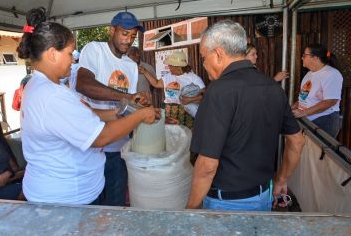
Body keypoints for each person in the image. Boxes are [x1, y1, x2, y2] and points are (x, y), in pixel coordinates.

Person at [17, 7, 157, 205]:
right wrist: (140, 116)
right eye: (69, 53)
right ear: (52, 54)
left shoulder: (39, 86)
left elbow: (88, 114)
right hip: (64, 198)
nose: (73, 59)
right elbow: (101, 137)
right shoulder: (52, 95)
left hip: (66, 190)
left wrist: (123, 109)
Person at [186, 20, 305, 211]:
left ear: (218, 54)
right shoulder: (272, 87)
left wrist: (191, 208)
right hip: (265, 196)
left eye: (203, 57)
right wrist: (282, 179)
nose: (204, 64)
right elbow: (297, 141)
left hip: (227, 203)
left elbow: (207, 165)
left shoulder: (218, 91)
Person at [74, 11, 149, 207]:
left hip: (118, 148)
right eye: (125, 33)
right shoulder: (94, 50)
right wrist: (126, 97)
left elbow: (128, 106)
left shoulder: (131, 66)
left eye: (133, 36)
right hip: (92, 147)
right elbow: (83, 84)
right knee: (91, 207)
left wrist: (145, 109)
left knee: (115, 207)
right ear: (112, 30)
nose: (129, 40)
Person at [139, 51, 205, 128]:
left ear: (178, 66)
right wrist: (145, 72)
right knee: (170, 136)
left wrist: (190, 99)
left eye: (171, 65)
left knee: (185, 136)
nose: (169, 67)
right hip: (169, 112)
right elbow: (156, 83)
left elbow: (205, 95)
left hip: (186, 113)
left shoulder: (193, 78)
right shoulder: (168, 76)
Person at [292, 43, 343, 138]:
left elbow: (330, 101)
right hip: (307, 119)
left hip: (324, 120)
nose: (301, 58)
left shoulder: (332, 74)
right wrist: (292, 108)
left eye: (304, 55)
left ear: (315, 58)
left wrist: (303, 113)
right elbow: (303, 98)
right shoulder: (309, 74)